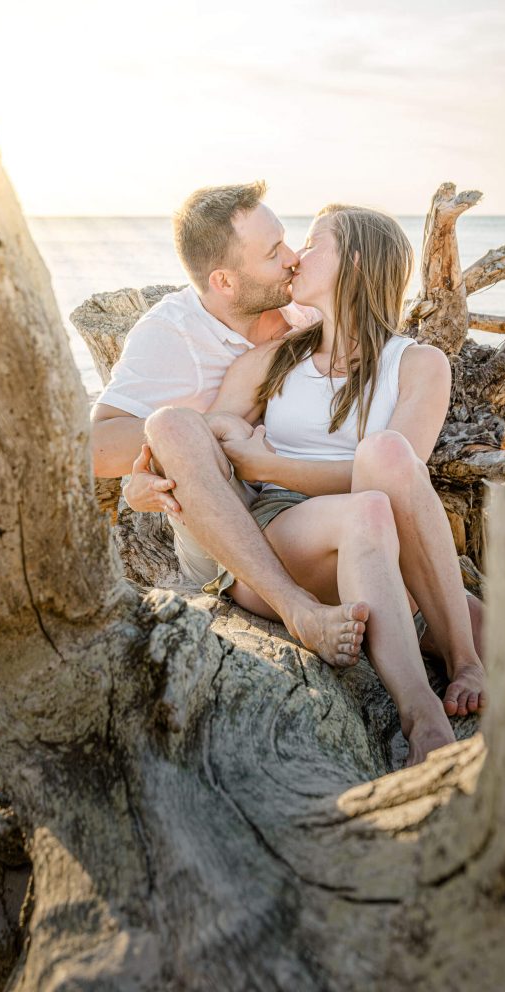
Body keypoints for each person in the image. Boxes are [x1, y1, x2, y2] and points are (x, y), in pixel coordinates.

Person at [195, 204, 485, 765]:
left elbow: (401, 475)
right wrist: (231, 445)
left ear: (353, 259)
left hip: (389, 547)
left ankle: (463, 657)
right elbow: (216, 438)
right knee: (371, 494)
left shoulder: (419, 363)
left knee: (385, 464)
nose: (297, 256)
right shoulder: (276, 359)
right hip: (289, 535)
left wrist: (271, 463)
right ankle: (423, 706)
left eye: (312, 242)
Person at [92, 182, 370, 664]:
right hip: (220, 524)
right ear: (224, 281)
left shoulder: (301, 306)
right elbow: (94, 447)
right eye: (272, 253)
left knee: (452, 616)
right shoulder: (172, 334)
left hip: (305, 508)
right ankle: (297, 609)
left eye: (285, 239)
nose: (291, 258)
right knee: (174, 424)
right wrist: (195, 436)